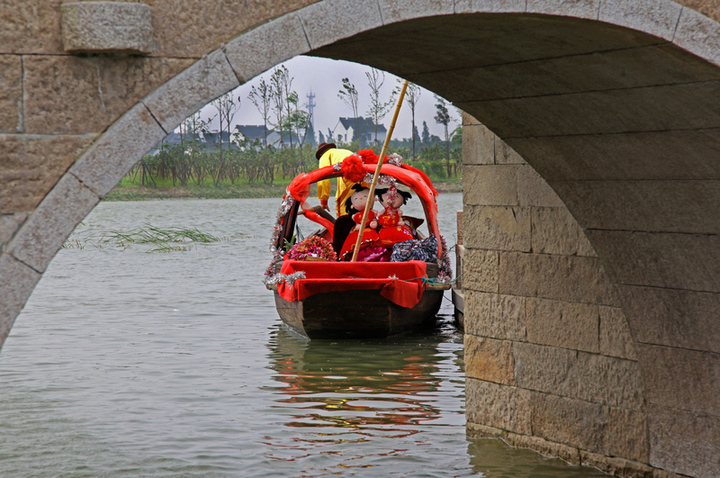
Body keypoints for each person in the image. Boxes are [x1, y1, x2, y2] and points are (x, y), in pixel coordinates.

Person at [316, 142, 353, 216]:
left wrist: (324, 201)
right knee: (361, 204)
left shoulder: (324, 156)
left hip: (349, 175)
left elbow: (323, 177)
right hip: (363, 175)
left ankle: (343, 227)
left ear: (321, 154)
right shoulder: (343, 151)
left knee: (343, 207)